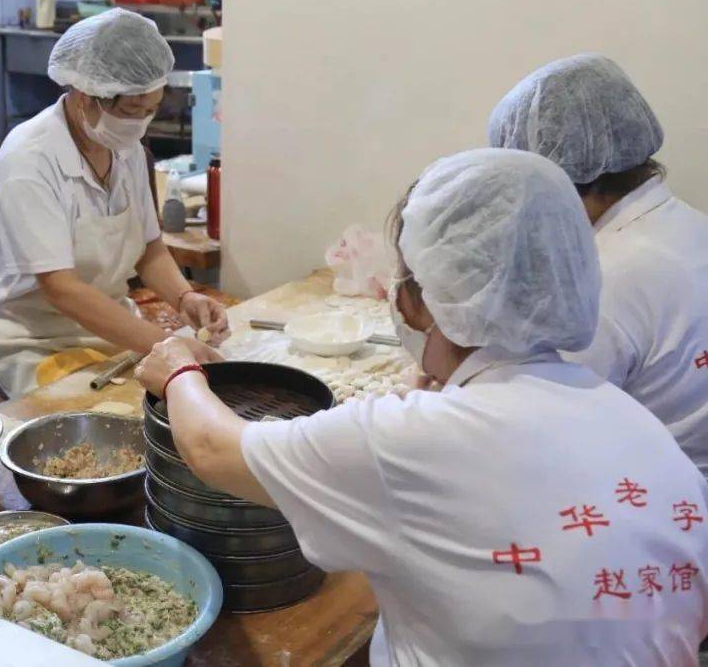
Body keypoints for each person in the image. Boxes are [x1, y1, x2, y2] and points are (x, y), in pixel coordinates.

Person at [135, 149, 708, 665]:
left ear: (419, 300)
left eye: (403, 281)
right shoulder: (635, 422)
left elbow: (212, 448)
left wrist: (179, 369)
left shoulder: (410, 438)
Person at [0, 8, 227, 398]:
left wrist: (185, 298)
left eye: (151, 111)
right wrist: (167, 345)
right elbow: (62, 289)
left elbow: (150, 250)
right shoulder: (29, 161)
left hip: (112, 328)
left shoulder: (123, 148)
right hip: (37, 342)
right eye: (130, 111)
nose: (139, 125)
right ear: (84, 94)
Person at [488, 53, 708, 478]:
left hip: (652, 498)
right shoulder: (689, 224)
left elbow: (542, 429)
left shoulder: (601, 280)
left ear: (555, 181)